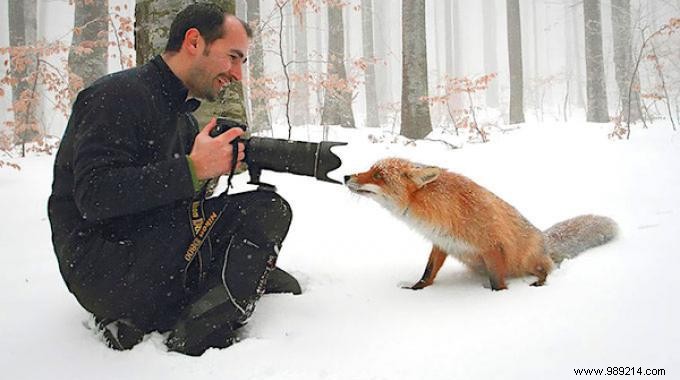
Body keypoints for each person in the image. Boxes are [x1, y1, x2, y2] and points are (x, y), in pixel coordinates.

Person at [48, 3, 300, 356]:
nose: (237, 74)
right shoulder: (115, 96)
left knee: (244, 219)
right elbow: (95, 197)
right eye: (233, 57)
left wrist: (209, 171)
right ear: (194, 42)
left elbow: (168, 202)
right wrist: (192, 169)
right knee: (267, 210)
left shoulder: (182, 119)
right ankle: (198, 335)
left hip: (144, 252)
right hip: (104, 268)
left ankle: (198, 291)